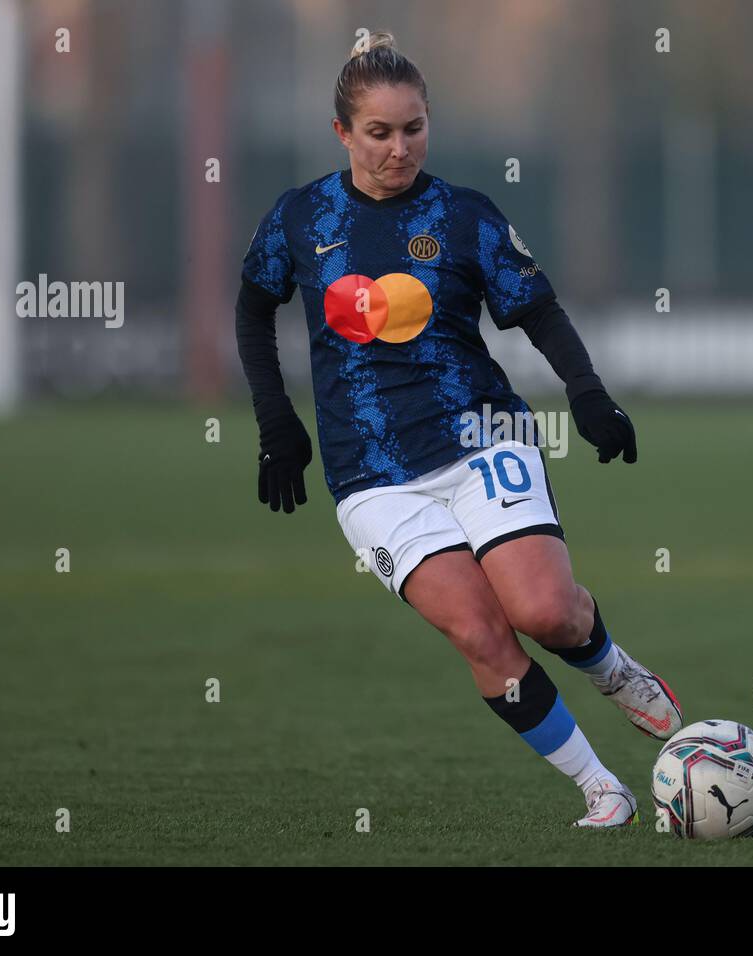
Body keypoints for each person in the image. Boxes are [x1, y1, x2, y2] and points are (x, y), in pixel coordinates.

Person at [235, 32, 681, 827]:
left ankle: (611, 666)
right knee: (480, 633)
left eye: (413, 129)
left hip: (480, 439)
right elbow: (252, 303)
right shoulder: (301, 217)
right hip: (369, 473)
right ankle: (600, 787)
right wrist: (278, 424)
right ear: (342, 133)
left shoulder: (463, 215)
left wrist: (588, 393)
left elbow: (536, 309)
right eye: (378, 132)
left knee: (546, 612)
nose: (398, 148)